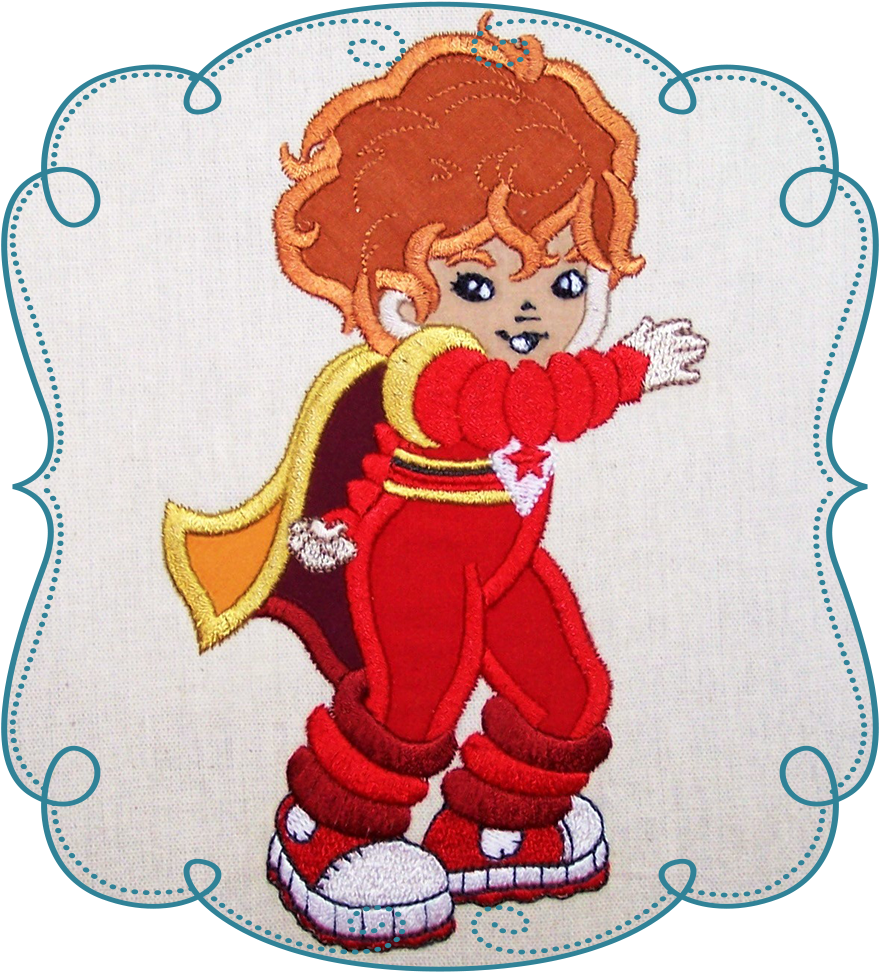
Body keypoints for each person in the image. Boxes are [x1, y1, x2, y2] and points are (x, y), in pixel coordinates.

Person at [163, 14, 707, 950]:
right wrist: (627, 370)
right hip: (418, 564)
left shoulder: (484, 356)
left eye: (564, 283)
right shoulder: (431, 368)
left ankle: (494, 828)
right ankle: (326, 834)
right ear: (395, 294)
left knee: (566, 694)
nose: (529, 313)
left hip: (502, 557)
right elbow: (520, 407)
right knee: (411, 708)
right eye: (477, 283)